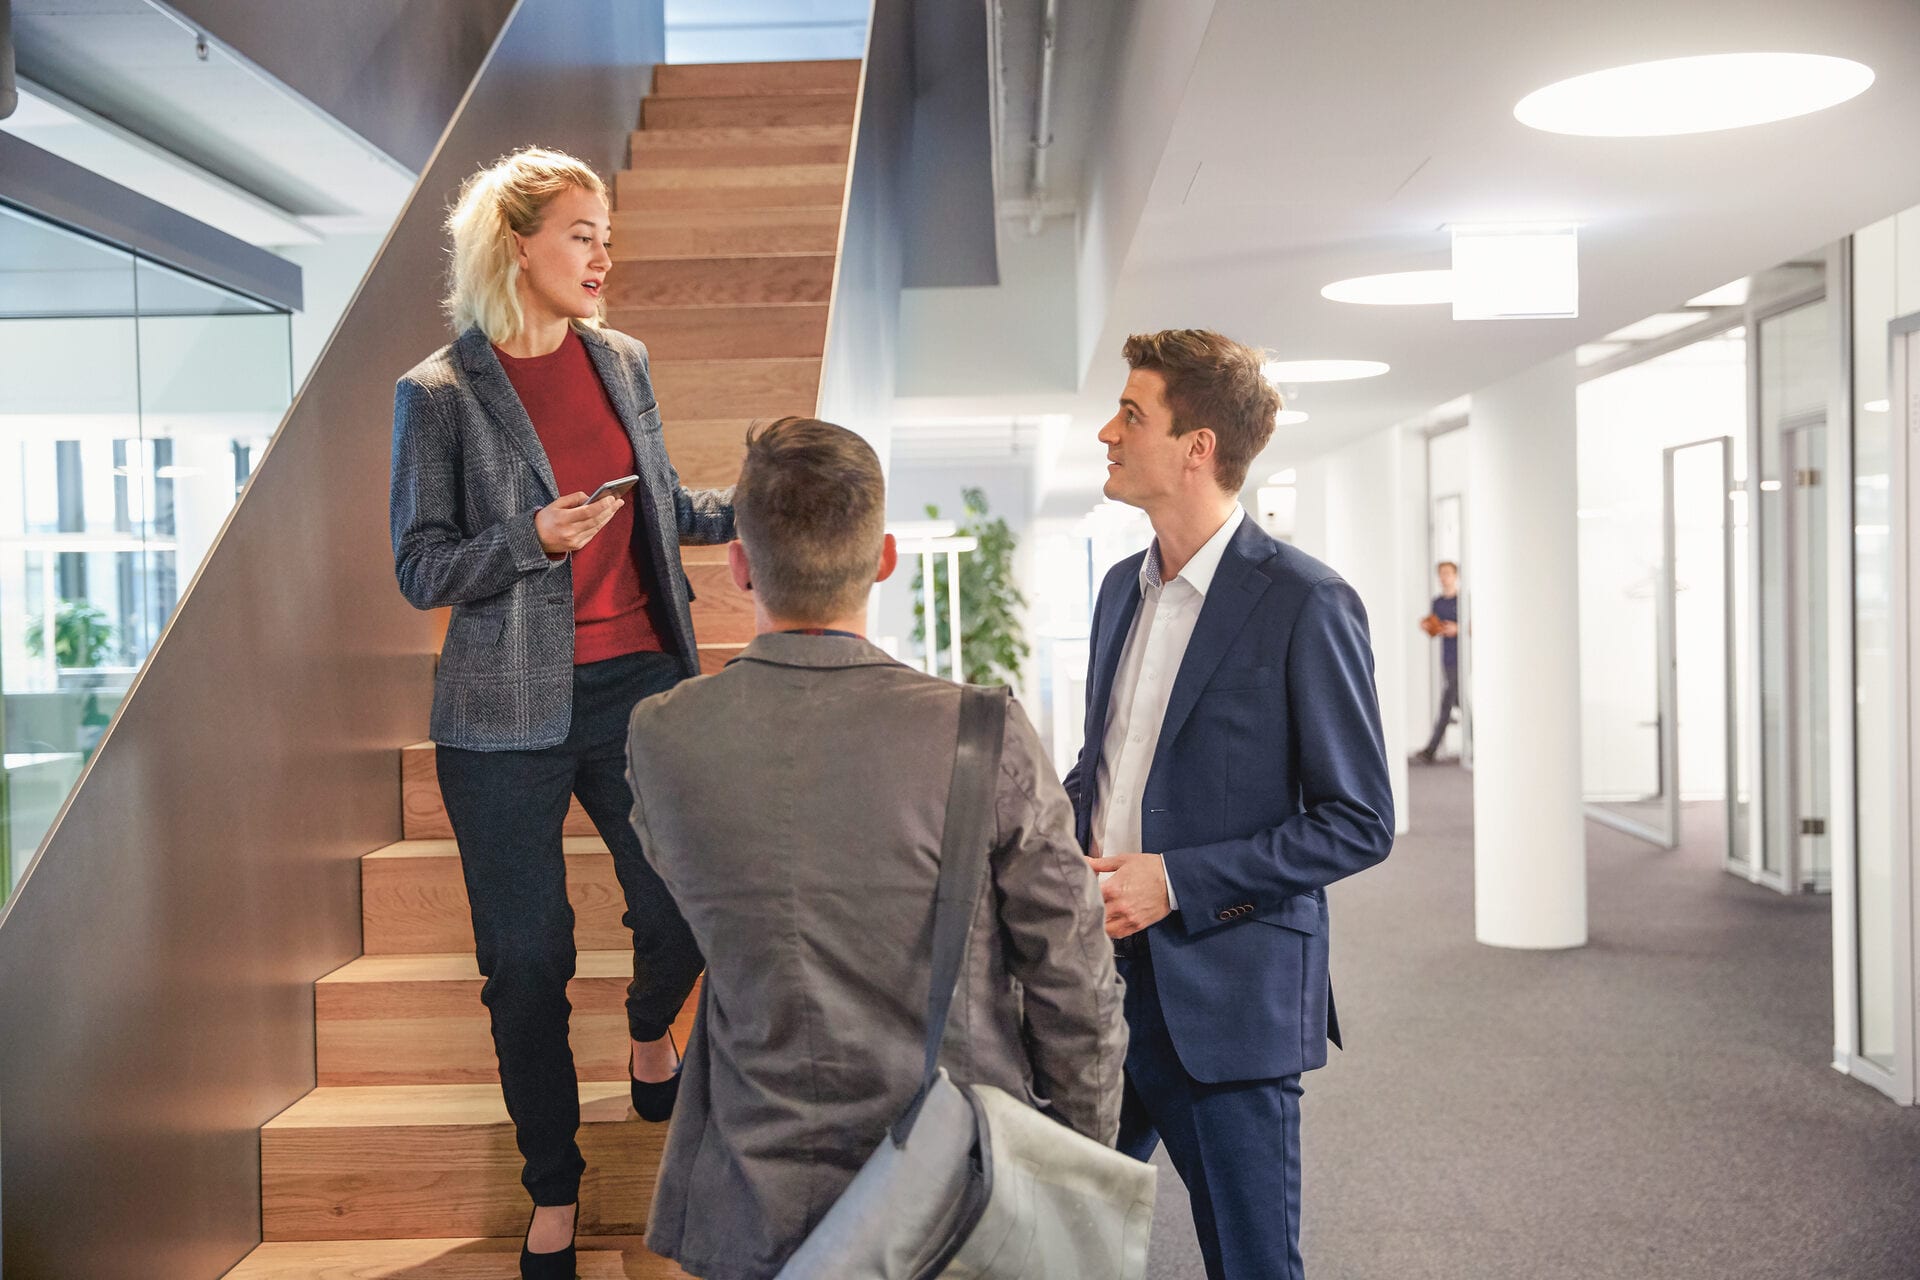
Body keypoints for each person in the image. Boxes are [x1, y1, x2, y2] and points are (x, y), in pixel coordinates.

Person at [625, 417, 1127, 1280]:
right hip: (957, 1197)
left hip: (752, 1193)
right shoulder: (981, 731)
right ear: (885, 557)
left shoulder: (664, 736)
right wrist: (1074, 1173)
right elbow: (1072, 978)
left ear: (739, 563)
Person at [388, 146, 733, 1277]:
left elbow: (661, 500)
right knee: (526, 959)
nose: (602, 253)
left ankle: (647, 1029)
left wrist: (762, 509)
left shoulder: (622, 359)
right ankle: (553, 1188)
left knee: (685, 897)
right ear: (517, 244)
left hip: (640, 676)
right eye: (582, 232)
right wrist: (528, 544)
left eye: (606, 235)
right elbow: (421, 566)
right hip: (500, 714)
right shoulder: (437, 392)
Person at [1064, 330, 1395, 1279]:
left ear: (1197, 446)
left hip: (1229, 995)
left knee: (1251, 1266)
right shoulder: (1119, 595)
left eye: (1132, 414)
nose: (1107, 432)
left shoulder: (1304, 600)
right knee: (1051, 1241)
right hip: (1098, 988)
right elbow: (1110, 768)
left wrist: (1176, 881)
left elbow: (1358, 818)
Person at [1413, 560, 1461, 764]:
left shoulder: (1463, 601)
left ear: (1455, 575)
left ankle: (1431, 750)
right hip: (1447, 658)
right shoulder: (1438, 603)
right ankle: (1477, 741)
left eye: (1447, 573)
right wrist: (1428, 626)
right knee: (1457, 702)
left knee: (1447, 703)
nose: (1444, 577)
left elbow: (1475, 625)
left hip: (1462, 658)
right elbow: (1434, 628)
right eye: (1441, 573)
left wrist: (1458, 629)